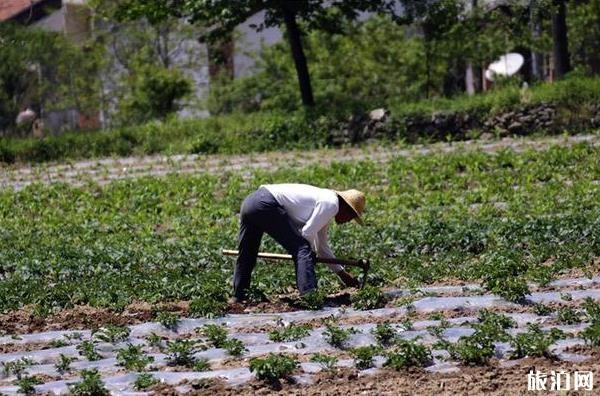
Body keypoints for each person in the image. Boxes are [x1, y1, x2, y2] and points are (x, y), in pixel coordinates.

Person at [232, 183, 365, 302]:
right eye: (351, 216)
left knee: (247, 253)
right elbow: (307, 232)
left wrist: (342, 274)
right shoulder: (332, 204)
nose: (348, 221)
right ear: (346, 207)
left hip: (251, 201)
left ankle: (239, 295)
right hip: (267, 204)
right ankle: (309, 296)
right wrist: (309, 253)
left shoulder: (326, 201)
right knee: (302, 249)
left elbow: (322, 248)